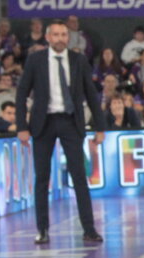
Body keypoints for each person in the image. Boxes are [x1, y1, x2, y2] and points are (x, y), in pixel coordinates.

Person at [15, 20, 106, 245]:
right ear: (47, 37)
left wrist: (101, 127)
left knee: (79, 176)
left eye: (63, 35)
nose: (59, 39)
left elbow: (92, 95)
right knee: (42, 178)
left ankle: (89, 229)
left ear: (68, 37)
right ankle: (43, 229)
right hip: (43, 123)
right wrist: (21, 127)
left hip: (70, 122)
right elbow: (21, 93)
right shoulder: (35, 60)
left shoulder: (79, 60)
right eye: (55, 35)